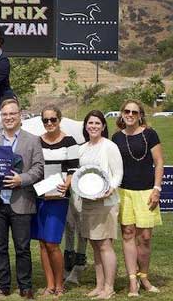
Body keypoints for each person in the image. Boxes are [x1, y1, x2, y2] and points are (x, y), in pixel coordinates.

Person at [0, 98, 44, 299]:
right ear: (1, 118)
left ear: (20, 116)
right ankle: (2, 285)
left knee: (22, 248)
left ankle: (25, 287)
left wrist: (22, 179)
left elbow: (38, 169)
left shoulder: (32, 139)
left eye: (12, 114)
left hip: (21, 201)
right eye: (5, 114)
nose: (9, 117)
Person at [112, 100, 164, 296]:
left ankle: (144, 276)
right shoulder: (116, 137)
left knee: (145, 238)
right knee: (127, 234)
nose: (130, 114)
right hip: (124, 192)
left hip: (146, 192)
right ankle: (132, 281)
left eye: (134, 111)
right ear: (122, 113)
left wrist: (157, 188)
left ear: (140, 114)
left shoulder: (150, 134)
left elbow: (159, 163)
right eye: (127, 110)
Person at [31, 105, 79, 297]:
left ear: (60, 120)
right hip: (39, 196)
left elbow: (74, 170)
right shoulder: (37, 142)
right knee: (42, 242)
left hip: (58, 197)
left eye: (53, 119)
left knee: (52, 242)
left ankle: (60, 284)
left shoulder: (70, 141)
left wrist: (67, 184)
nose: (49, 123)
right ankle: (49, 284)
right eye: (45, 120)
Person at [78, 110, 123, 300]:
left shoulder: (110, 146)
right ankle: (99, 285)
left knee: (105, 244)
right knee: (95, 244)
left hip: (106, 202)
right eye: (90, 123)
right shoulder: (82, 148)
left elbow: (118, 173)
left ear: (103, 126)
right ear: (86, 126)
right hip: (87, 203)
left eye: (97, 123)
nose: (93, 126)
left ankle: (109, 287)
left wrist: (110, 189)